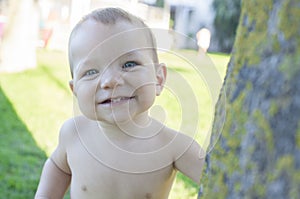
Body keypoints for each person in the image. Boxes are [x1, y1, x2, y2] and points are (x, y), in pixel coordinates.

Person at [35, 7, 205, 199]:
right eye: (91, 72)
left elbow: (221, 183)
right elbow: (58, 166)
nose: (110, 81)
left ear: (158, 79)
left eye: (129, 64)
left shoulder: (174, 147)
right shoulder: (73, 134)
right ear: (75, 91)